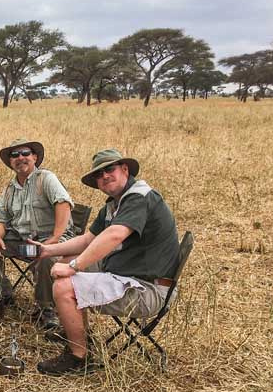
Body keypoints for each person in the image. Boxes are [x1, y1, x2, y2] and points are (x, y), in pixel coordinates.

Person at [35, 149, 180, 376]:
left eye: (109, 170)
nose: (104, 176)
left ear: (125, 169)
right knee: (67, 262)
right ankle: (80, 333)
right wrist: (47, 250)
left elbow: (114, 235)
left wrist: (74, 267)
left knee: (64, 285)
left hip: (148, 290)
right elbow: (88, 239)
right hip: (130, 274)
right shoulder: (115, 203)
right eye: (99, 174)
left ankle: (78, 357)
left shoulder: (138, 197)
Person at [0, 138, 74, 322]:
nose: (20, 158)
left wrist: (54, 239)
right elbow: (1, 218)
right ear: (10, 161)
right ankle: (3, 291)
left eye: (25, 153)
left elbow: (63, 204)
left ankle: (47, 309)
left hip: (49, 239)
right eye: (15, 155)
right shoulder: (10, 188)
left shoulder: (46, 178)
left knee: (48, 258)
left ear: (35, 157)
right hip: (22, 241)